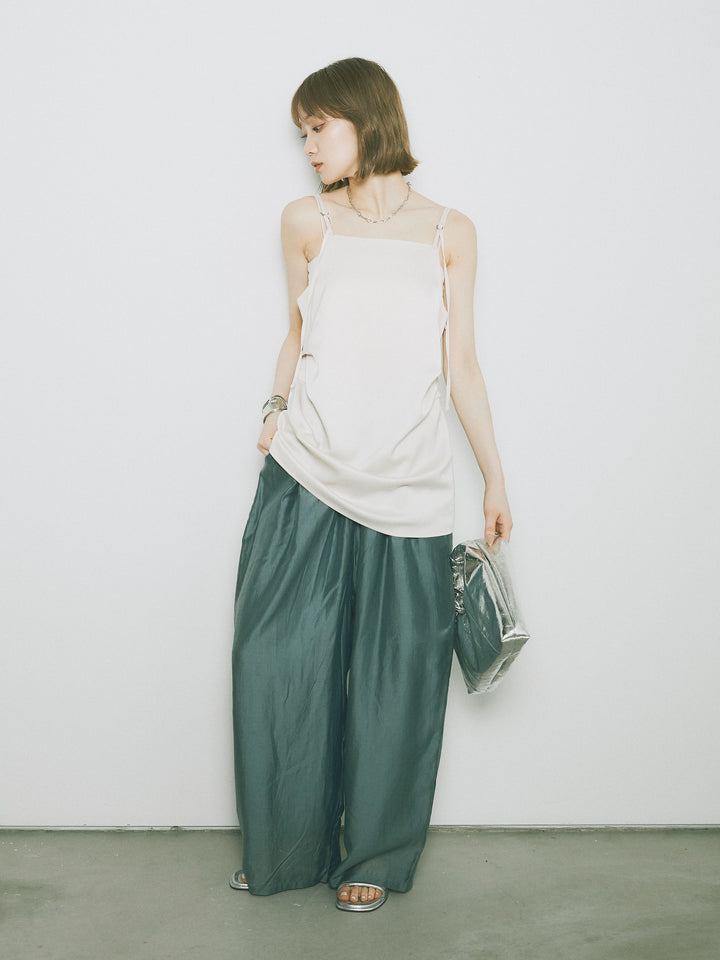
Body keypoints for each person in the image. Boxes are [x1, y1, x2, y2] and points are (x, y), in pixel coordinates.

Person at [230, 57, 512, 913]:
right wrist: (276, 408)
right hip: (306, 469)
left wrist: (495, 478)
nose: (310, 146)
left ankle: (376, 856)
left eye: (320, 127)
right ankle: (284, 848)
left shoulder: (448, 231)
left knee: (397, 676)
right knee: (277, 659)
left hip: (410, 483)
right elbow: (296, 332)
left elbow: (462, 364)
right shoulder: (306, 221)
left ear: (366, 117)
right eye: (302, 133)